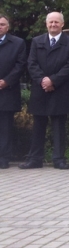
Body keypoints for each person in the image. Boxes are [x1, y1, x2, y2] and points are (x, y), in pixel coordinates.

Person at [21, 12, 69, 169]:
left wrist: (53, 80)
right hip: (40, 89)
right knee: (38, 125)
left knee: (59, 125)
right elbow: (31, 63)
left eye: (56, 22)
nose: (53, 24)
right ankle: (35, 159)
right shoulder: (37, 41)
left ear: (62, 24)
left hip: (59, 89)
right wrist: (43, 80)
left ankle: (59, 159)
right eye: (51, 22)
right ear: (46, 24)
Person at [0, 15, 26, 169]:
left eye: (2, 24)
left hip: (7, 91)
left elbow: (20, 65)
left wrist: (6, 81)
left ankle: (3, 158)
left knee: (5, 126)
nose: (0, 27)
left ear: (8, 27)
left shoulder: (17, 43)